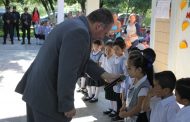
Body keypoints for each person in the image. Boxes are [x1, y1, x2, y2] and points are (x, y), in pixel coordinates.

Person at [15, 8, 119, 122]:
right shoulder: (80, 33)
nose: (102, 38)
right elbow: (68, 71)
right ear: (98, 26)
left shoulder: (74, 24)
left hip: (37, 91)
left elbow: (78, 59)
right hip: (48, 98)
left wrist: (104, 74)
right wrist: (67, 104)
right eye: (104, 33)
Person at [119, 50, 154, 122]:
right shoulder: (134, 79)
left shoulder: (144, 87)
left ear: (139, 69)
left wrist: (125, 114)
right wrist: (124, 106)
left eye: (129, 68)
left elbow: (139, 107)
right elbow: (129, 96)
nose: (127, 70)